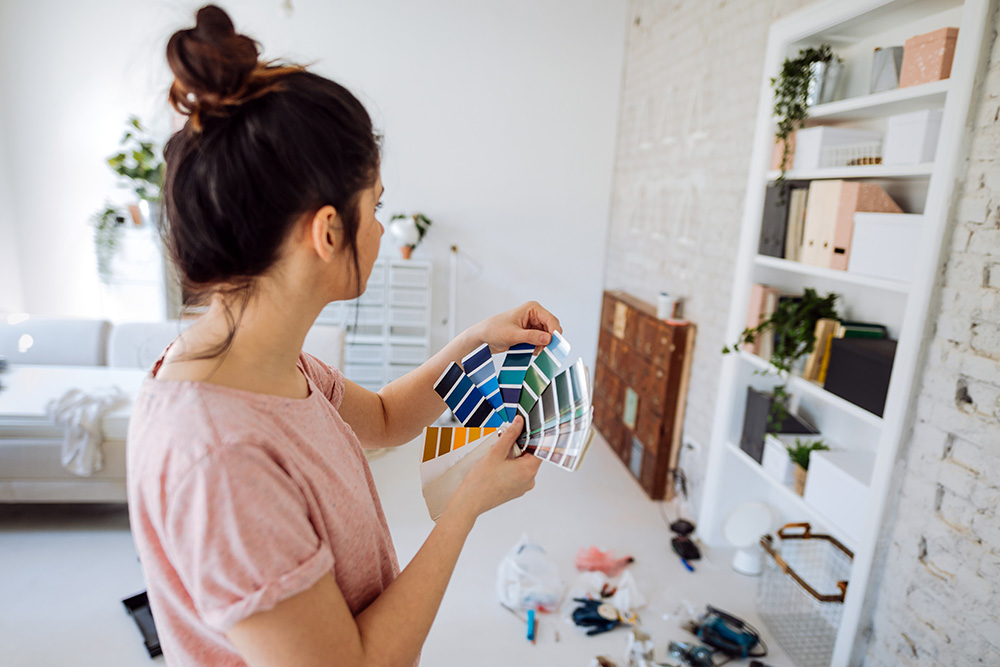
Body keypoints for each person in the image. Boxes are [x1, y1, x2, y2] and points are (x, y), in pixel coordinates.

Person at [126, 6, 559, 666]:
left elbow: (385, 417)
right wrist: (465, 505)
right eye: (375, 205)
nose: (383, 229)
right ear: (328, 231)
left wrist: (479, 342)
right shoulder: (220, 460)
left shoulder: (260, 361)